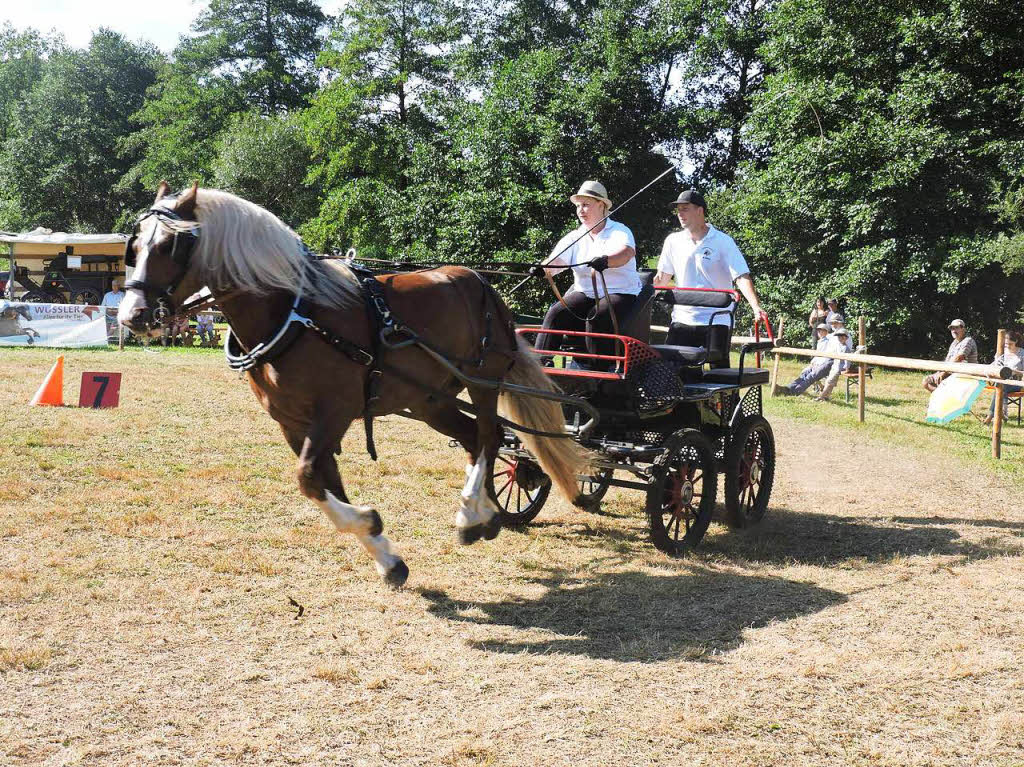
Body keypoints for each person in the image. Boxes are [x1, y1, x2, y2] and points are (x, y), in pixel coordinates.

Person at [654, 189, 767, 368]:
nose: (680, 214)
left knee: (719, 374)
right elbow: (661, 279)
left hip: (717, 318)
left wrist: (755, 306)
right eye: (678, 210)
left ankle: (728, 397)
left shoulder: (723, 241)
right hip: (682, 318)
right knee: (672, 372)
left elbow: (740, 275)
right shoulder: (672, 241)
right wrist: (641, 291)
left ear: (700, 211)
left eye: (685, 209)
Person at [532, 180, 640, 363]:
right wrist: (542, 270)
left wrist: (607, 261)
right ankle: (538, 368)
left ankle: (596, 374)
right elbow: (556, 262)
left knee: (596, 316)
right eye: (578, 206)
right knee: (555, 313)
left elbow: (627, 253)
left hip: (620, 292)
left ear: (601, 205)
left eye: (586, 205)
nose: (580, 210)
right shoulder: (575, 236)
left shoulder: (620, 231)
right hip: (585, 292)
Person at [777, 326, 850, 397]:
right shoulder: (835, 344)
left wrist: (845, 369)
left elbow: (846, 363)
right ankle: (789, 388)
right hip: (826, 361)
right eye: (839, 336)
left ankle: (794, 391)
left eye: (842, 336)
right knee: (806, 373)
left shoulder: (845, 348)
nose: (840, 338)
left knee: (812, 376)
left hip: (832, 365)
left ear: (846, 338)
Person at [922, 318, 979, 392]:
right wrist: (940, 372)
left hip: (965, 374)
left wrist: (944, 373)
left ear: (963, 329)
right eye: (952, 328)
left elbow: (959, 358)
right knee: (926, 382)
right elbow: (947, 360)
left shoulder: (968, 340)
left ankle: (942, 398)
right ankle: (940, 399)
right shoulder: (954, 343)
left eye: (956, 328)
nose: (954, 331)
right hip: (952, 371)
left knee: (940, 381)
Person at [983, 329, 1024, 425]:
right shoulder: (1002, 352)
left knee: (1001, 386)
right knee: (1001, 385)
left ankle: (990, 416)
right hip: (1002, 381)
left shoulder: (1022, 354)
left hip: (1016, 383)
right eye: (1006, 344)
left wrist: (1014, 371)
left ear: (1016, 341)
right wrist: (989, 370)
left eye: (1010, 344)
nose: (1007, 346)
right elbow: (994, 365)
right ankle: (1001, 412)